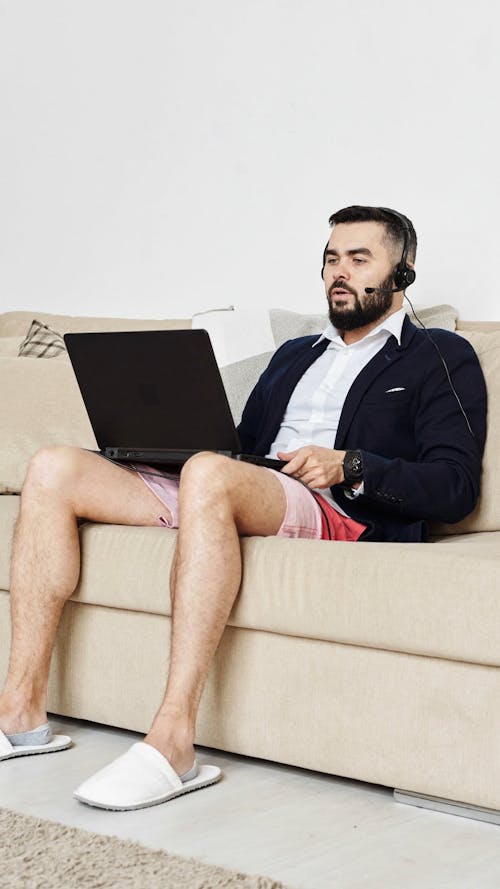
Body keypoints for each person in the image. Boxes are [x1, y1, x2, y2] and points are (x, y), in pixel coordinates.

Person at [0, 206, 487, 811]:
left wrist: (351, 465)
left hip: (339, 509)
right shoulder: (294, 354)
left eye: (359, 259)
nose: (339, 272)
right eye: (331, 258)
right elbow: (238, 447)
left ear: (404, 273)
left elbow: (456, 486)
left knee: (209, 472)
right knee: (53, 466)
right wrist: (157, 445)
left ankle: (172, 740)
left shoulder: (439, 355)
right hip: (247, 484)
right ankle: (18, 714)